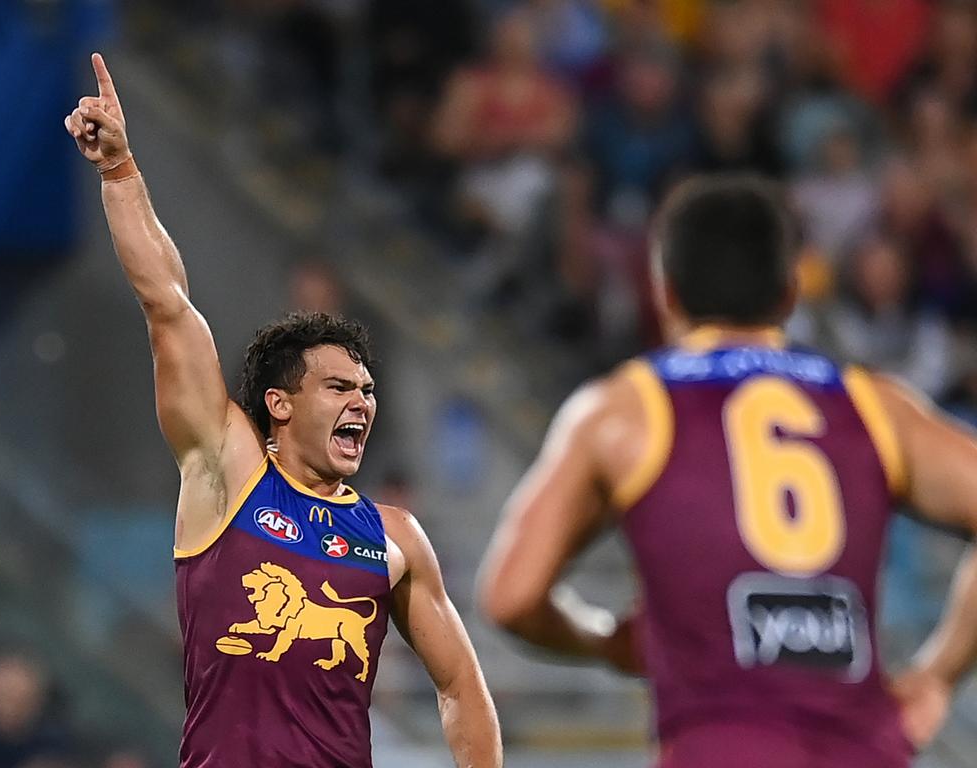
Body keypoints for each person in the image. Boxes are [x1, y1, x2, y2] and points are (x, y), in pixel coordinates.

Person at [64, 53, 501, 768]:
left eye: (366, 390)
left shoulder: (394, 537)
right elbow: (168, 306)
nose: (362, 400)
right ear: (280, 404)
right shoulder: (226, 473)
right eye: (338, 387)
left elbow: (460, 689)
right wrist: (120, 174)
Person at [478, 174, 977, 767]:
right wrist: (938, 675)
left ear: (664, 292)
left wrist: (606, 640)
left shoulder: (625, 411)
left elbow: (511, 596)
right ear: (790, 293)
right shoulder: (875, 407)